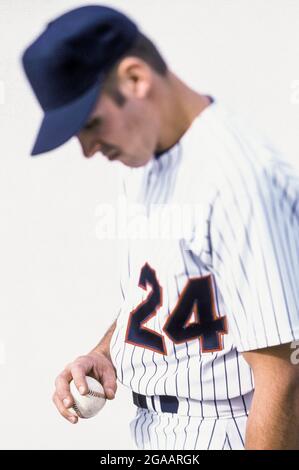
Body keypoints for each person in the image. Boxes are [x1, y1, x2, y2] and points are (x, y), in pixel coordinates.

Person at [22, 5, 299, 450]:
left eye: (90, 124)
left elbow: (284, 375)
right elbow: (164, 292)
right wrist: (104, 352)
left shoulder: (239, 179)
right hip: (155, 426)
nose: (89, 149)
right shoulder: (145, 158)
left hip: (228, 429)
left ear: (135, 79)